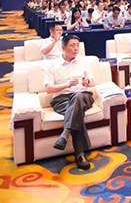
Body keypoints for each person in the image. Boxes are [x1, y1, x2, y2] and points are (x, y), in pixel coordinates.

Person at [44, 34, 95, 170]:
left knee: (78, 98)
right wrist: (66, 85)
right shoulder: (52, 65)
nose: (76, 48)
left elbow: (92, 81)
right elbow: (49, 89)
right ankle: (80, 154)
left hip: (83, 96)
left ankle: (66, 133)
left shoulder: (84, 62)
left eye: (77, 45)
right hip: (61, 99)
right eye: (72, 45)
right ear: (63, 48)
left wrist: (87, 82)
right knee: (75, 111)